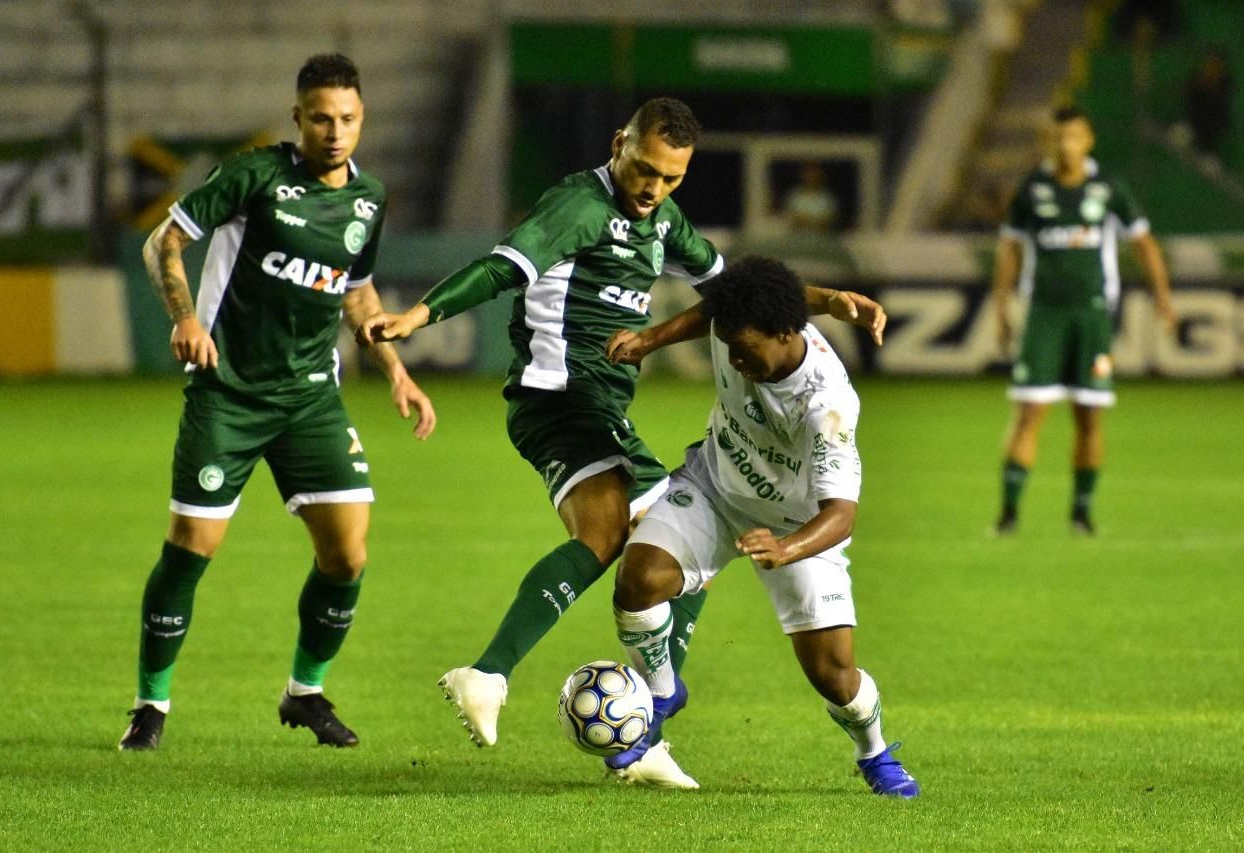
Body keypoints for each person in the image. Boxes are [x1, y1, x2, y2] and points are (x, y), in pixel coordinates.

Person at [358, 98, 885, 787]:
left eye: (670, 178)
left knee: (667, 535)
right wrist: (419, 316)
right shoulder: (577, 206)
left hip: (597, 399)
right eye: (643, 170)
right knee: (634, 528)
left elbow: (739, 293)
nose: (652, 189)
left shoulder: (663, 222)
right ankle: (497, 675)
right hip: (563, 394)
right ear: (619, 145)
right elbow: (501, 268)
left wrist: (829, 298)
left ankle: (644, 726)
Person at [118, 53, 436, 751]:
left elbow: (356, 290)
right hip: (227, 394)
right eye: (320, 117)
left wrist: (394, 369)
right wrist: (185, 318)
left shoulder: (369, 198)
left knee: (348, 554)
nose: (334, 131)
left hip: (311, 399)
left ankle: (306, 692)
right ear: (298, 117)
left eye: (347, 119)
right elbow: (163, 241)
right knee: (190, 548)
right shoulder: (253, 175)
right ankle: (150, 704)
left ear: (363, 121)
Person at [602, 255, 918, 797]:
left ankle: (876, 753)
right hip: (714, 486)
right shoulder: (740, 324)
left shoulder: (828, 404)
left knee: (834, 677)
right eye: (727, 344)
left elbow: (841, 515)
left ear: (786, 334)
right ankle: (660, 696)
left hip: (798, 527)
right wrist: (651, 340)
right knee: (639, 581)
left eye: (745, 350)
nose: (735, 359)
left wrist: (786, 547)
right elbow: (722, 308)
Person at [992, 106, 1176, 535]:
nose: (1065, 145)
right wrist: (1001, 308)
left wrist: (1163, 296)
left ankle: (1081, 513)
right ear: (1047, 142)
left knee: (1089, 414)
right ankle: (1008, 514)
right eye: (1058, 137)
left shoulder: (1108, 187)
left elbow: (1144, 243)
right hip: (1044, 315)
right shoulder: (1032, 188)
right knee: (1029, 411)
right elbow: (1010, 249)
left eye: (1073, 136)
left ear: (1088, 140)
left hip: (1092, 314)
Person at [783, 161, 839, 233]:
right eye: (808, 173)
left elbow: (829, 221)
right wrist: (815, 220)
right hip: (798, 238)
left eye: (814, 172)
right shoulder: (793, 196)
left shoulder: (828, 197)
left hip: (822, 238)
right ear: (802, 175)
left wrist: (806, 220)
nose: (811, 176)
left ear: (821, 174)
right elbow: (789, 219)